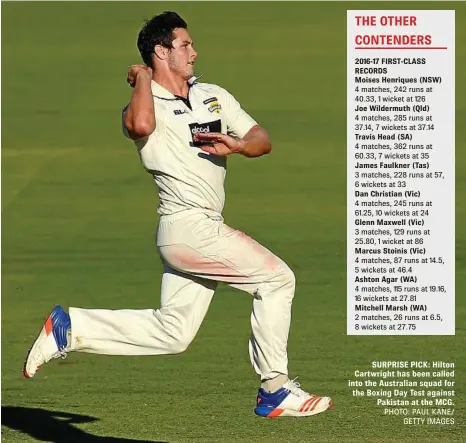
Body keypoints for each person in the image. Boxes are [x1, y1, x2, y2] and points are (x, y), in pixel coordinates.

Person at [23, 11, 332, 418]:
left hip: (202, 229)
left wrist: (238, 147)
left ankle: (70, 327)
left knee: (173, 333)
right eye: (185, 45)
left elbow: (261, 138)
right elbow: (140, 125)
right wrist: (145, 82)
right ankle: (274, 387)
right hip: (187, 227)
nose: (194, 52)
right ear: (161, 52)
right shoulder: (144, 102)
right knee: (277, 279)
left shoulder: (213, 94)